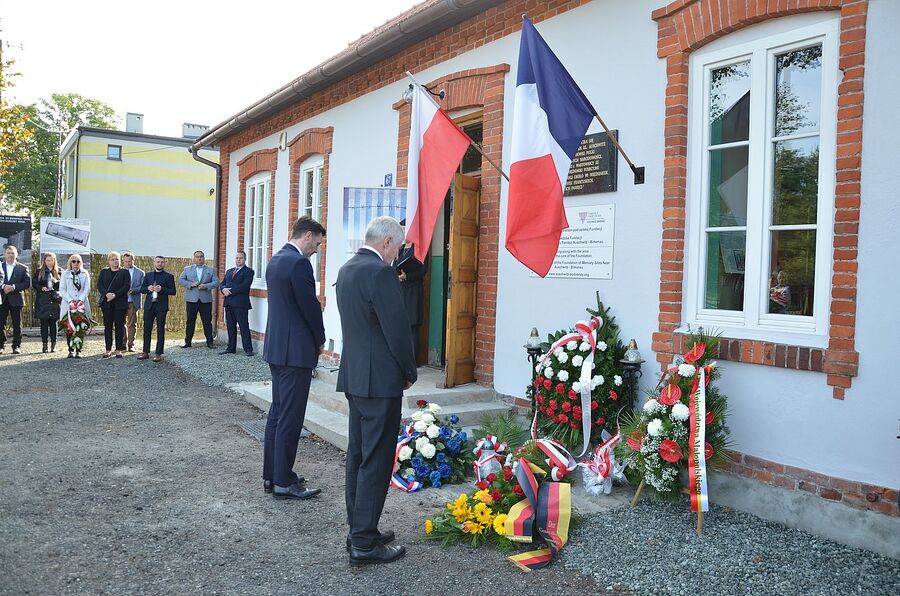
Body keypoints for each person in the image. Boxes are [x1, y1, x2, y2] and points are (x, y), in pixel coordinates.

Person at [335, 216, 417, 565]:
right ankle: (365, 544)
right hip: (380, 381)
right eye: (396, 248)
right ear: (386, 242)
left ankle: (360, 528)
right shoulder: (379, 273)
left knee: (358, 455)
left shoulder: (348, 268)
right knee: (377, 460)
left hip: (356, 377)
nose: (395, 255)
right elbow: (396, 330)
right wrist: (409, 371)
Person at [262, 216, 326, 501]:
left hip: (277, 348)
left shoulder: (276, 259)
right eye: (317, 243)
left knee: (277, 414)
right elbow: (310, 307)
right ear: (308, 235)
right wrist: (320, 338)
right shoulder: (299, 263)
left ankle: (272, 475)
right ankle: (284, 481)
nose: (317, 250)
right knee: (290, 417)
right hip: (295, 352)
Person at [393, 219, 427, 360]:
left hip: (413, 291)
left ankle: (413, 360)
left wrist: (407, 276)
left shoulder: (419, 248)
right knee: (400, 324)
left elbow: (423, 271)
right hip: (400, 290)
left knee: (412, 325)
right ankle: (401, 357)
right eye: (400, 230)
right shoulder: (400, 248)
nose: (401, 232)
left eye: (403, 229)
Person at [178, 250, 219, 348]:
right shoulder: (187, 269)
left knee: (207, 321)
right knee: (190, 321)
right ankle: (188, 342)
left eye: (201, 257)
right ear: (194, 258)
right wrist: (190, 284)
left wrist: (206, 286)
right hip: (192, 299)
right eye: (197, 257)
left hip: (205, 300)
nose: (199, 258)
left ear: (204, 258)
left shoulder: (211, 270)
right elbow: (181, 280)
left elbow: (217, 282)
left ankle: (209, 342)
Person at [139, 256, 176, 362]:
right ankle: (145, 351)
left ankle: (158, 353)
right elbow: (142, 289)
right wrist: (148, 288)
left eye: (162, 262)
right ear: (154, 263)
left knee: (160, 330)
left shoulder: (169, 276)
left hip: (161, 306)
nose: (160, 264)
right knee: (147, 329)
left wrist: (162, 289)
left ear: (164, 264)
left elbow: (173, 291)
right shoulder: (148, 275)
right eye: (158, 262)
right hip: (149, 305)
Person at [219, 250, 255, 356]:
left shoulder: (249, 271)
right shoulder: (229, 271)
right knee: (230, 326)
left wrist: (230, 291)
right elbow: (222, 283)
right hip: (229, 303)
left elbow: (245, 285)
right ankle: (231, 348)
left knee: (243, 326)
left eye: (240, 258)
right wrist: (223, 289)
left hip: (240, 303)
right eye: (237, 258)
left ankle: (248, 349)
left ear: (245, 259)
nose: (238, 260)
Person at [97, 251, 130, 358]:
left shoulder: (124, 272)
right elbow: (99, 285)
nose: (115, 261)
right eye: (112, 259)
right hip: (107, 303)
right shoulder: (104, 272)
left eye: (116, 259)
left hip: (120, 303)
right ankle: (108, 349)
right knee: (108, 327)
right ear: (109, 261)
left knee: (119, 326)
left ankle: (119, 349)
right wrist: (106, 294)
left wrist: (115, 295)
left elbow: (126, 286)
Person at [0, 245, 31, 355]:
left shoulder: (22, 268)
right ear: (4, 254)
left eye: (13, 253)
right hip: (2, 298)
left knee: (17, 323)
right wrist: (3, 286)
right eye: (8, 253)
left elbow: (27, 283)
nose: (10, 255)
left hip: (16, 299)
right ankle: (1, 346)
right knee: (0, 322)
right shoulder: (0, 266)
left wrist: (13, 287)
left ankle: (16, 346)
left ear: (16, 254)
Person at [59, 254, 91, 358]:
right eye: (74, 261)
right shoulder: (65, 273)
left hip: (81, 303)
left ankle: (79, 349)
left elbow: (87, 288)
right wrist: (70, 300)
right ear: (70, 263)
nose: (76, 263)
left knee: (80, 327)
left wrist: (80, 300)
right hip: (69, 304)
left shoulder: (84, 273)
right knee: (70, 327)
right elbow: (62, 289)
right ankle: (70, 349)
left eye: (78, 261)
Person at [32, 252, 62, 353]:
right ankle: (44, 345)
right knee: (44, 323)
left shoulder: (59, 271)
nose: (50, 262)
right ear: (44, 261)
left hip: (54, 300)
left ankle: (53, 345)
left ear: (55, 261)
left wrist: (56, 282)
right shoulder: (39, 271)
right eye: (48, 260)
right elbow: (34, 284)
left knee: (54, 323)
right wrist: (41, 288)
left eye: (52, 260)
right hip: (43, 300)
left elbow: (63, 287)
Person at [122, 252, 145, 352]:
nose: (127, 263)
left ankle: (131, 344)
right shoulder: (119, 271)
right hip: (121, 301)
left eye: (129, 261)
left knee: (131, 324)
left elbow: (143, 287)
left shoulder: (140, 273)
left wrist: (134, 290)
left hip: (133, 301)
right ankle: (122, 343)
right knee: (120, 323)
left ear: (133, 260)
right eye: (126, 261)